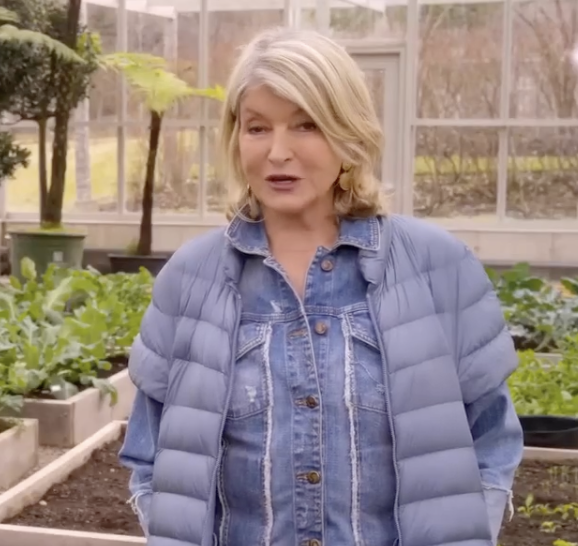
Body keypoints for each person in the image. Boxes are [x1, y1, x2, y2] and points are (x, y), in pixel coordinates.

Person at [118, 26, 523, 546]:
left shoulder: (437, 268)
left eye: (305, 126)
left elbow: (491, 442)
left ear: (347, 134)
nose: (277, 152)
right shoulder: (191, 279)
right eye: (257, 128)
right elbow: (152, 455)